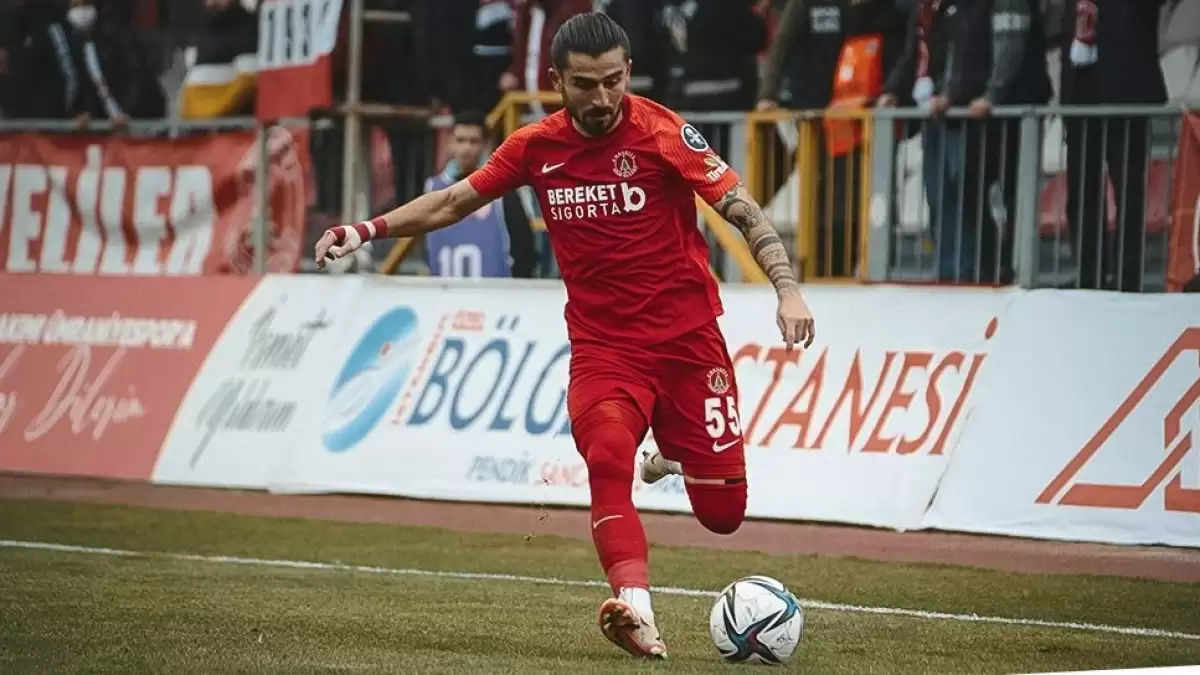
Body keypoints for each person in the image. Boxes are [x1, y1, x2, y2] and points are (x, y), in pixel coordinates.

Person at [314, 12, 816, 660]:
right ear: (556, 81)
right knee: (606, 457)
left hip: (689, 344)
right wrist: (364, 230)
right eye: (585, 84)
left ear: (628, 72)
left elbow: (741, 208)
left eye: (612, 81)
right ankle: (635, 608)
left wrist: (787, 288)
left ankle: (674, 455)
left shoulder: (664, 132)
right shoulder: (535, 147)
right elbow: (453, 201)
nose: (601, 97)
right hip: (605, 348)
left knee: (723, 515)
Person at [423, 110, 538, 278]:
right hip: (445, 291)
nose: (466, 148)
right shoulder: (433, 188)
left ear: (485, 145)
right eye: (460, 140)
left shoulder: (503, 191)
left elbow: (524, 248)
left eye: (473, 141)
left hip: (494, 292)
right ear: (450, 143)